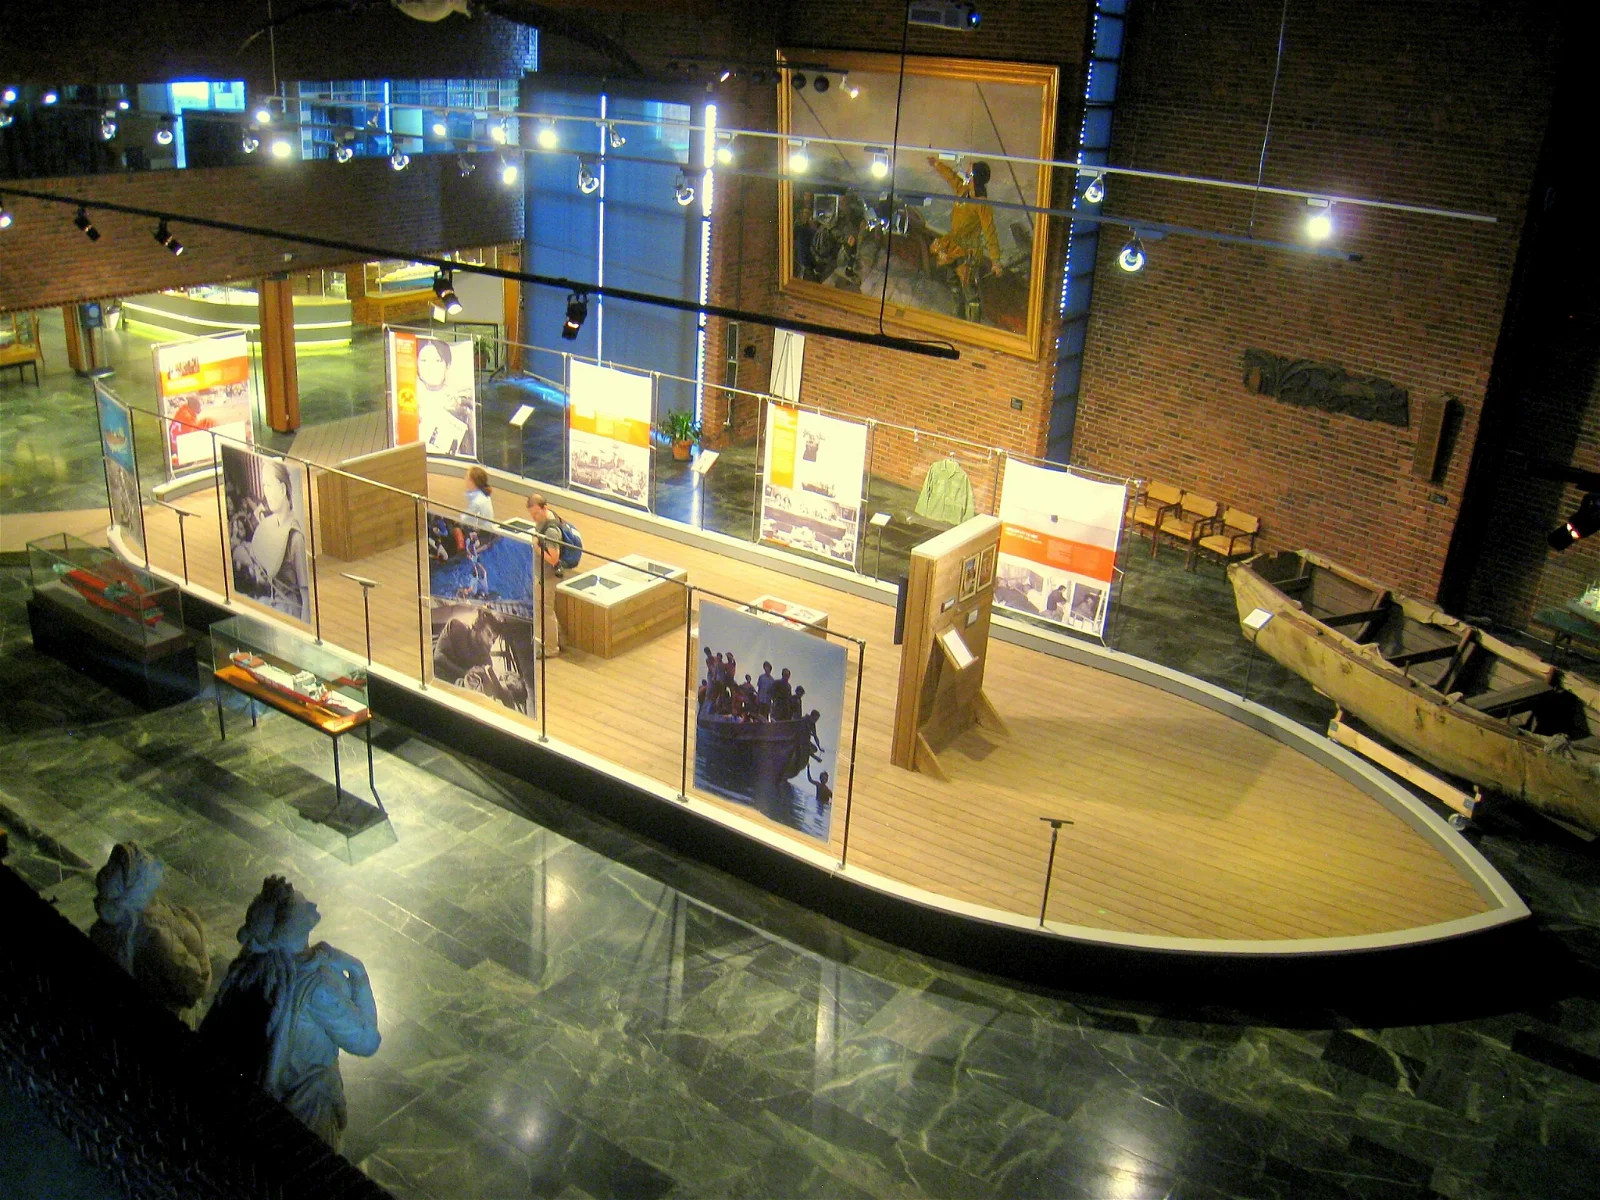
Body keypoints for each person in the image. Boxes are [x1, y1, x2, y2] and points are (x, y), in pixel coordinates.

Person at [200, 876, 379, 1149]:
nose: (313, 904)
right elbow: (367, 1042)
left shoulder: (254, 964)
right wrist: (357, 971)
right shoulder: (316, 988)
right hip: (304, 1109)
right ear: (291, 925)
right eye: (304, 905)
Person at [89, 842, 211, 1022]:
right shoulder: (151, 932)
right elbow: (195, 987)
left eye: (113, 867)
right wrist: (200, 942)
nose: (105, 870)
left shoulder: (111, 922)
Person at [926, 155, 1004, 321]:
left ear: (975, 176)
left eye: (970, 172)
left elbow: (990, 232)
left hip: (968, 252)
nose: (966, 173)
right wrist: (937, 164)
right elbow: (951, 177)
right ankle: (957, 318)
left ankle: (973, 325)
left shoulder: (982, 204)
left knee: (969, 289)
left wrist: (996, 261)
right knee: (952, 282)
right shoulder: (963, 190)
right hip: (953, 246)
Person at [233, 457, 309, 621]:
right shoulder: (268, 527)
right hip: (274, 608)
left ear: (282, 489)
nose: (266, 492)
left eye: (269, 485)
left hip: (291, 613)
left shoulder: (295, 538)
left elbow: (307, 597)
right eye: (264, 486)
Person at [526, 492, 563, 657]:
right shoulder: (544, 520)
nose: (534, 518)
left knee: (546, 612)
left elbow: (554, 559)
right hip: (541, 575)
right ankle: (547, 641)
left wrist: (536, 547)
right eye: (531, 514)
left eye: (536, 513)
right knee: (541, 610)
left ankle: (551, 648)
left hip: (547, 576)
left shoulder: (551, 532)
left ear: (544, 508)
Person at [464, 465, 496, 538]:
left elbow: (465, 520)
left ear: (472, 481)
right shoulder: (483, 494)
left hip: (483, 535)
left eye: (467, 476)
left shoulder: (477, 501)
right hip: (487, 531)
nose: (464, 478)